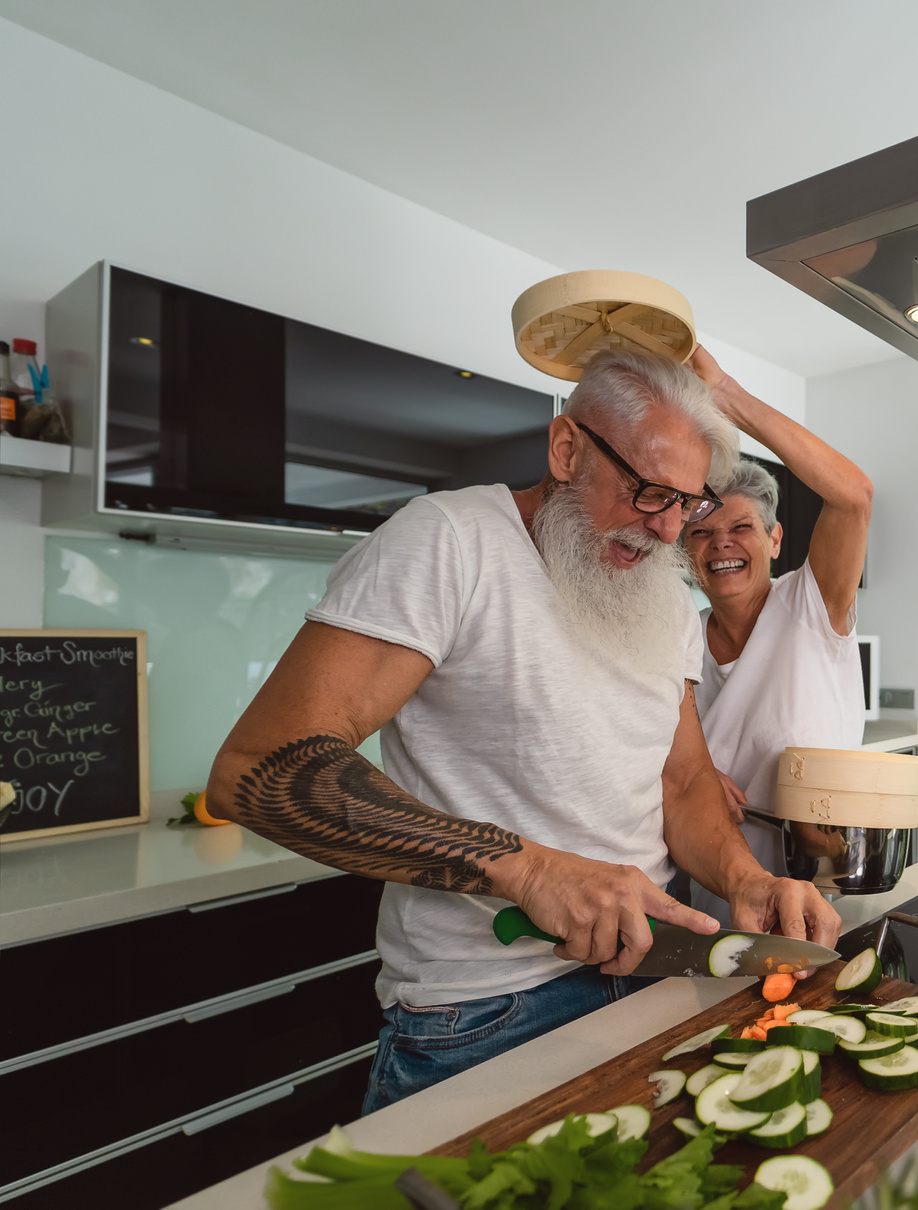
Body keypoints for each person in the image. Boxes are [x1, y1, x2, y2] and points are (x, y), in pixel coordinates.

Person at [207, 350, 841, 1113]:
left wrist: (748, 881)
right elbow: (258, 768)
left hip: (653, 978)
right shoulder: (451, 540)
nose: (667, 528)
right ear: (566, 449)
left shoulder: (665, 597)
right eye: (645, 492)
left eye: (687, 502)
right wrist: (533, 872)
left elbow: (680, 780)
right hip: (482, 1011)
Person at [681, 347, 872, 921]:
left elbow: (854, 496)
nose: (721, 544)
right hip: (720, 903)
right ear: (685, 553)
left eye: (742, 527)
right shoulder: (678, 639)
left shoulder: (809, 603)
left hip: (832, 896)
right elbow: (645, 752)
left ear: (774, 540)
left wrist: (727, 397)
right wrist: (698, 772)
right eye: (700, 533)